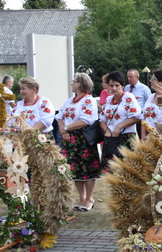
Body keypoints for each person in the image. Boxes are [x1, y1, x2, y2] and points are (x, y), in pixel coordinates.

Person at [56, 73, 101, 212]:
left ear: (80, 84)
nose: (71, 84)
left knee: (87, 168)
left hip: (83, 139)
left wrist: (67, 128)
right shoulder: (69, 101)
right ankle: (81, 198)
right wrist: (63, 132)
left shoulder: (88, 100)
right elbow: (59, 116)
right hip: (69, 138)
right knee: (75, 170)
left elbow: (87, 120)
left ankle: (89, 198)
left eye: (74, 81)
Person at [99, 70, 142, 163]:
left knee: (126, 168)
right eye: (111, 85)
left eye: (117, 85)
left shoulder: (128, 97)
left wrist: (119, 127)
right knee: (109, 170)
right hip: (111, 138)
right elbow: (102, 119)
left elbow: (136, 117)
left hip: (126, 138)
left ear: (122, 86)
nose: (114, 88)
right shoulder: (108, 99)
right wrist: (107, 130)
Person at [142, 68, 162, 134]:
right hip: (147, 135)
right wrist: (143, 137)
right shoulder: (151, 97)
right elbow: (144, 118)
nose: (150, 81)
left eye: (153, 79)